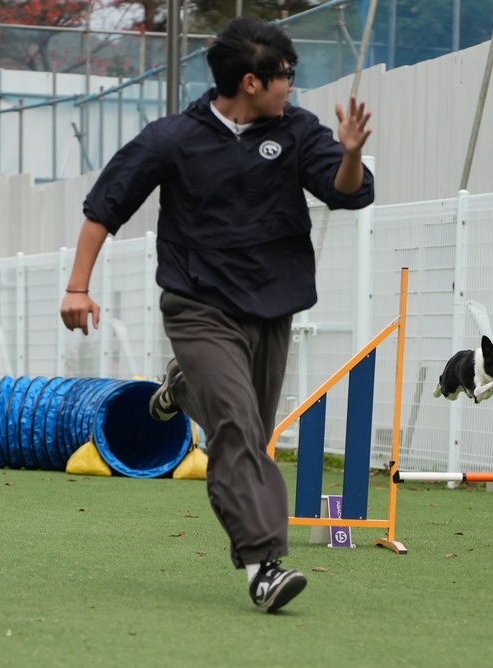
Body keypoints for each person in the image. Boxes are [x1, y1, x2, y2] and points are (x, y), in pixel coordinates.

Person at [59, 16, 375, 614]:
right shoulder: (173, 138)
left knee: (250, 434)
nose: (292, 84)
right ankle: (263, 564)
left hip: (270, 308)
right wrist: (77, 287)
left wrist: (352, 155)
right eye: (286, 75)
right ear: (251, 82)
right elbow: (105, 208)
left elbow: (344, 191)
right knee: (233, 426)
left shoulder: (298, 130)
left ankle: (180, 386)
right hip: (198, 305)